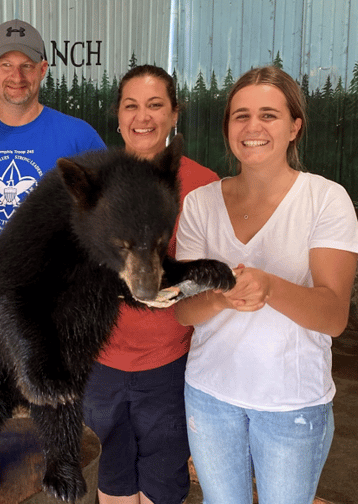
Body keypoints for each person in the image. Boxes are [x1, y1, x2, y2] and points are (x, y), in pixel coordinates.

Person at [175, 66, 358, 504]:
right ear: (227, 128)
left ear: (295, 126)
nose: (253, 127)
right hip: (209, 397)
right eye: (240, 115)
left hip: (291, 406)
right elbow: (183, 311)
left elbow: (333, 316)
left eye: (269, 115)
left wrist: (269, 287)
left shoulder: (325, 200)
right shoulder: (200, 203)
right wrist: (220, 299)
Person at [81, 65, 219, 504]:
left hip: (170, 363)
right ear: (118, 117)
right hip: (102, 361)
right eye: (132, 106)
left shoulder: (203, 186)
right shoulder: (93, 181)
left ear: (174, 114)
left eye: (156, 105)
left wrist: (182, 285)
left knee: (163, 481)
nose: (143, 117)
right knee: (113, 479)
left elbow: (213, 273)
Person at [0, 19, 105, 317]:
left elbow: (104, 212)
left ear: (43, 69)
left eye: (27, 65)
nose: (17, 76)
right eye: (6, 64)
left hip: (55, 307)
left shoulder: (80, 137)